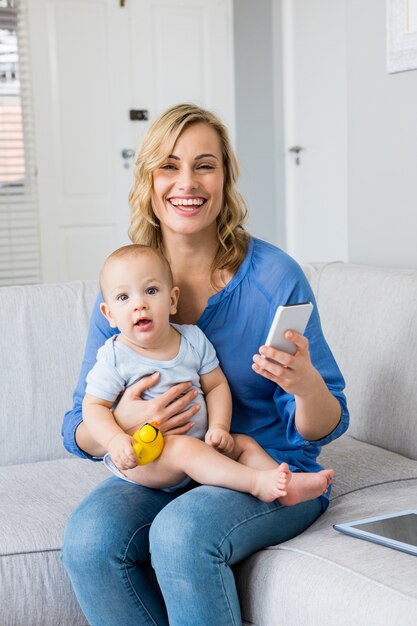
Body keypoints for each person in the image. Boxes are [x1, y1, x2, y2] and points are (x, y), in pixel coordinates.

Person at [61, 103, 349, 626]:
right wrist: (119, 424)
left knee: (180, 534)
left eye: (205, 165)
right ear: (148, 179)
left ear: (226, 178)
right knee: (87, 541)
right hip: (164, 467)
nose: (186, 182)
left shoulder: (274, 277)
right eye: (169, 165)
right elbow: (76, 428)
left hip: (270, 466)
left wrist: (306, 386)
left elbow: (324, 426)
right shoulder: (126, 284)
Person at [83, 243, 334, 504]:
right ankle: (257, 483)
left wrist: (219, 427)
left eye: (151, 291)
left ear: (172, 300)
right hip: (146, 458)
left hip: (200, 446)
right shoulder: (115, 356)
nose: (140, 305)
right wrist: (115, 440)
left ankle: (286, 484)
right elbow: (93, 406)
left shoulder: (192, 338)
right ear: (108, 314)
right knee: (185, 449)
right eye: (124, 298)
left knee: (244, 444)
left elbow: (215, 386)